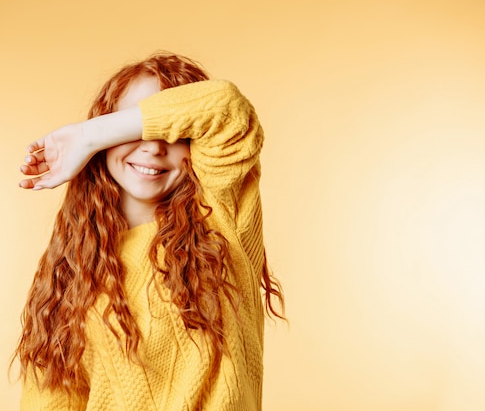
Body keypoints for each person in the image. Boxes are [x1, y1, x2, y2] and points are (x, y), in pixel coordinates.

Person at [14, 53, 284, 411]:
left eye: (173, 132)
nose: (153, 146)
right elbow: (49, 398)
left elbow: (227, 108)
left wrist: (87, 134)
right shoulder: (72, 267)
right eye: (137, 128)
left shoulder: (223, 220)